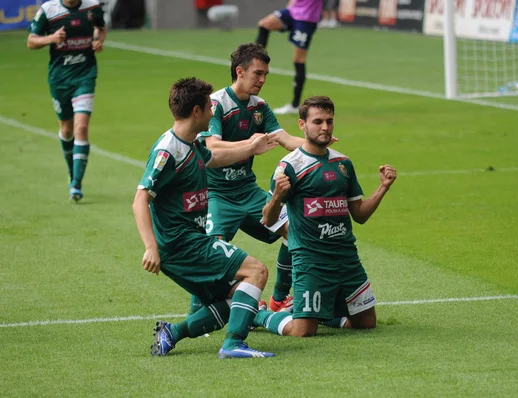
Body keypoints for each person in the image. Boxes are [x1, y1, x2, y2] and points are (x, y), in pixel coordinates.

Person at [133, 77, 279, 359]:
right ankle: (233, 344)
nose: (214, 113)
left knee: (234, 297)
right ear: (196, 112)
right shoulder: (168, 151)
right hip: (182, 243)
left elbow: (212, 158)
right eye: (209, 108)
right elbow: (141, 199)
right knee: (257, 271)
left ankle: (171, 333)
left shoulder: (190, 143)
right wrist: (151, 247)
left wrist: (250, 148)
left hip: (189, 241)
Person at [256, 96, 397, 337]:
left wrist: (383, 187)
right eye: (318, 121)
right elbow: (268, 220)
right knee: (302, 331)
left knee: (365, 323)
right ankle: (255, 314)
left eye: (329, 121)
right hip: (311, 261)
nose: (325, 127)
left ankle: (320, 313)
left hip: (345, 258)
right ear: (302, 125)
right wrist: (278, 195)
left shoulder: (343, 163)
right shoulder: (289, 165)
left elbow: (360, 215)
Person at [193, 43, 306, 315]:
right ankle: (198, 314)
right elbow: (212, 147)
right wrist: (250, 145)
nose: (263, 80)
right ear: (240, 71)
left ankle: (279, 299)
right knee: (210, 252)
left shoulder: (259, 107)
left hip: (248, 192)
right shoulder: (217, 104)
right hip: (217, 195)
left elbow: (285, 139)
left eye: (266, 74)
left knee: (296, 231)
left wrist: (318, 145)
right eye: (258, 73)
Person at [27, 0, 107, 202]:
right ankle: (72, 171)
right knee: (67, 129)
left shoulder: (92, 7)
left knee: (81, 128)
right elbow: (31, 41)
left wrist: (98, 41)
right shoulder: (49, 10)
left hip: (85, 76)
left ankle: (76, 184)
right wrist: (51, 38)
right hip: (59, 79)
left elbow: (101, 28)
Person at [256, 0, 324, 115]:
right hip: (292, 12)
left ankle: (295, 104)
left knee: (299, 59)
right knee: (264, 24)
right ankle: (258, 61)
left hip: (306, 18)